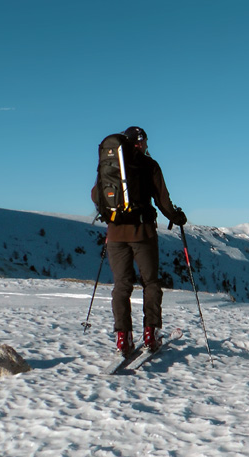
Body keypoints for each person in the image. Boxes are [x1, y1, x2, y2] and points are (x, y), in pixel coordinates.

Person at [91, 126, 187, 356]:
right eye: (144, 142)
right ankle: (150, 334)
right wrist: (176, 217)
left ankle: (123, 339)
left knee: (121, 286)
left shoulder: (109, 164)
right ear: (140, 142)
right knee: (150, 283)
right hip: (142, 232)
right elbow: (163, 199)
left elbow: (96, 194)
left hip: (115, 233)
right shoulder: (149, 165)